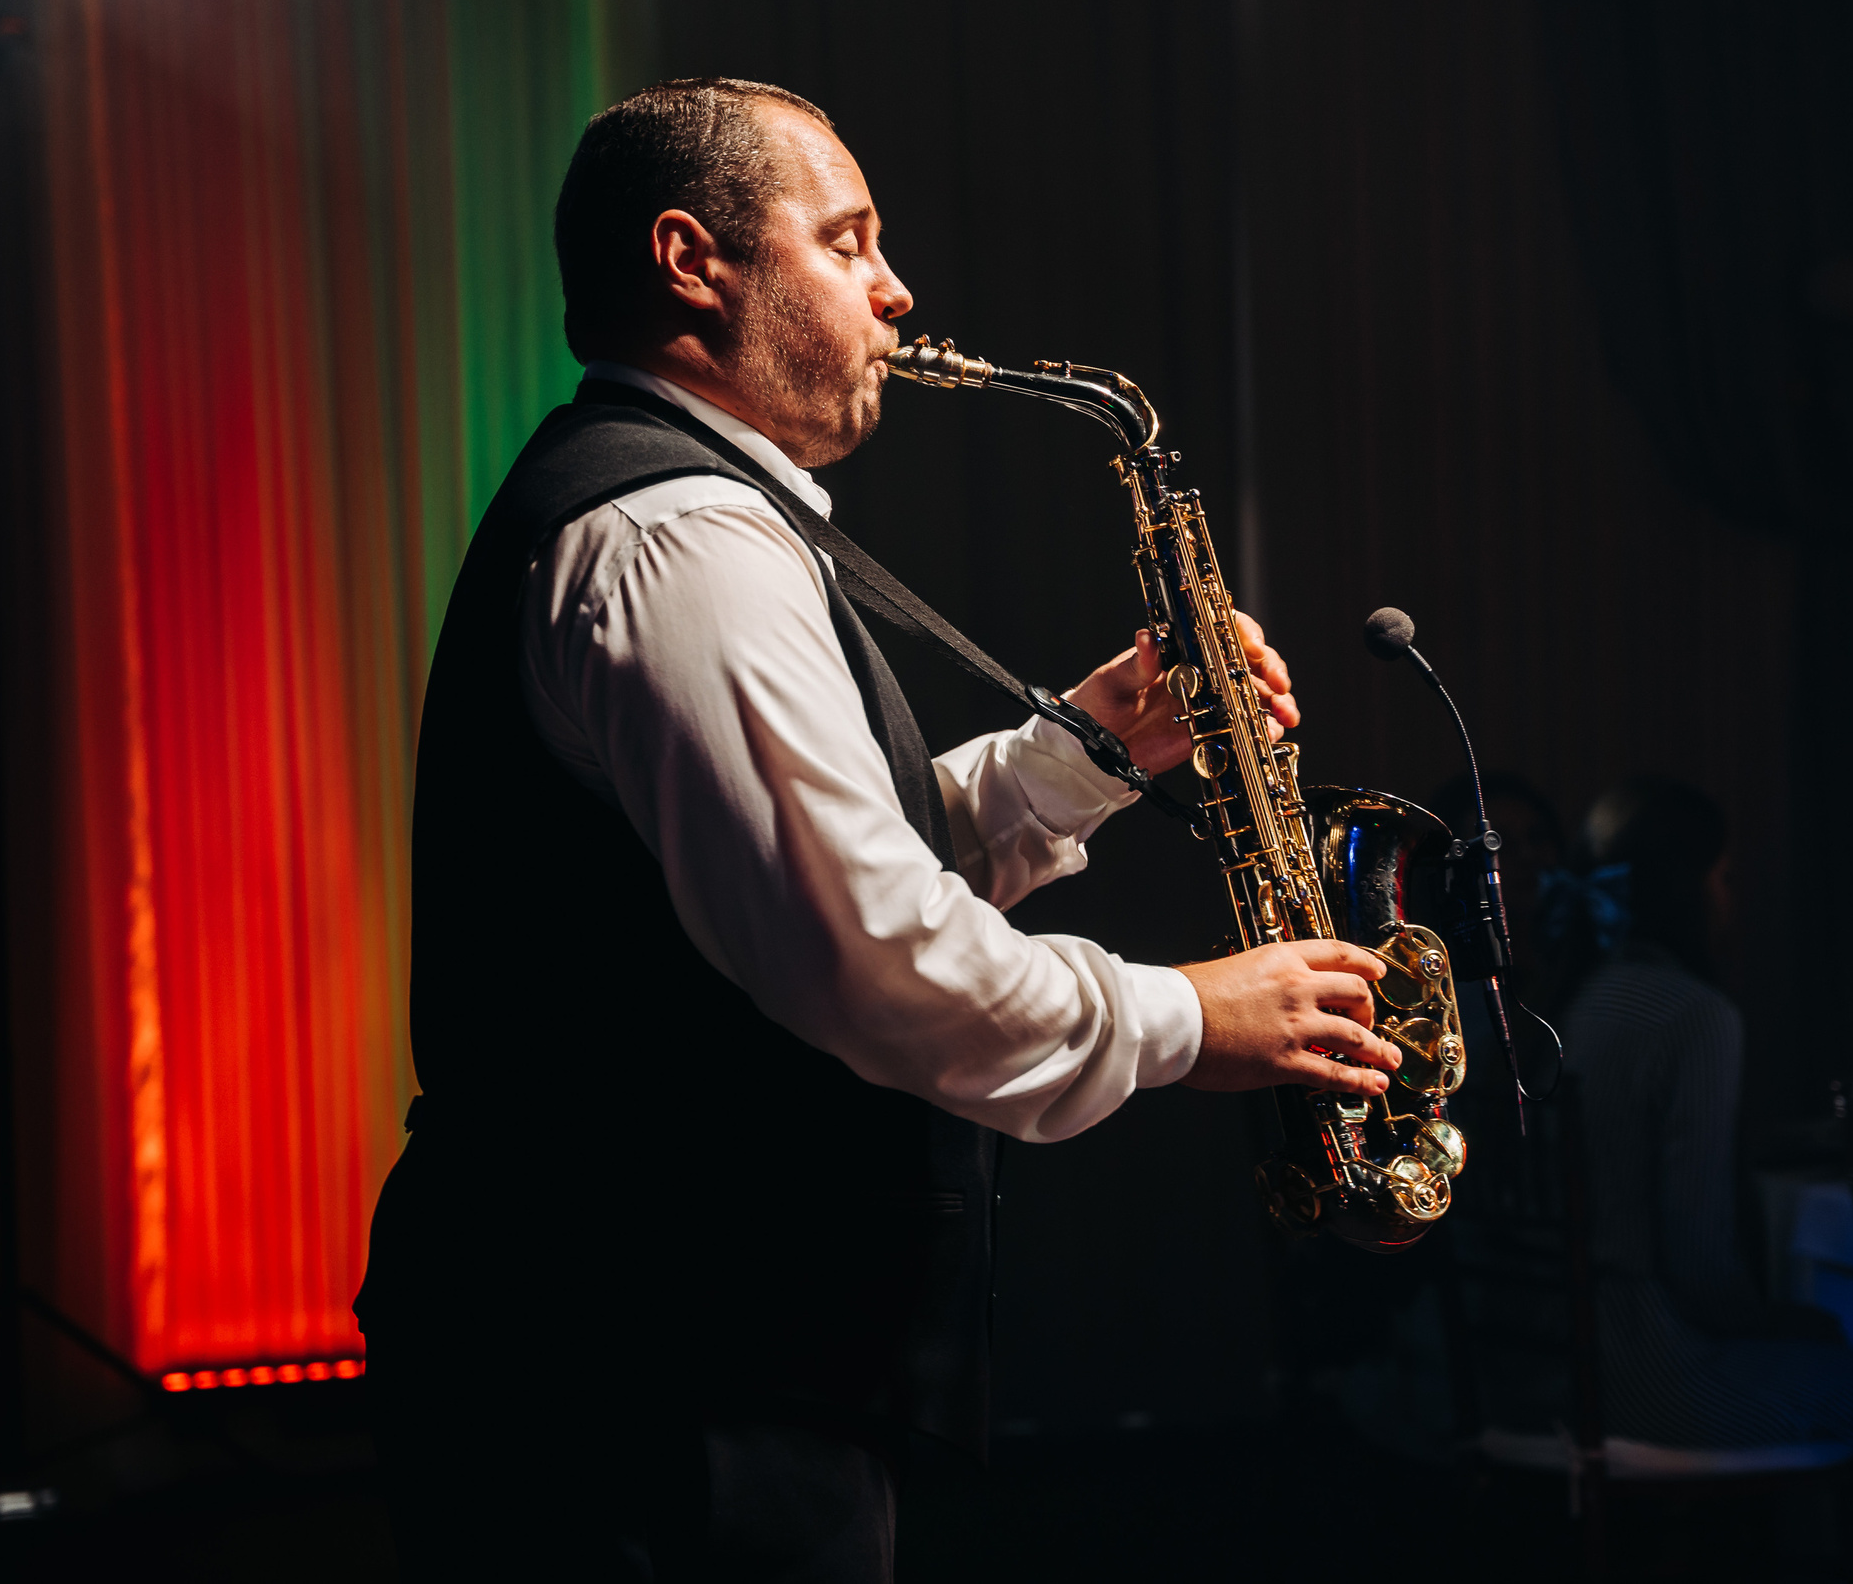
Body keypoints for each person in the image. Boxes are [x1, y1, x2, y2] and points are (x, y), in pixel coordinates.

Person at [353, 77, 1401, 1581]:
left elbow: (785, 890)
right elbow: (865, 950)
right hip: (645, 1368)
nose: (898, 291)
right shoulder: (679, 537)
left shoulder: (693, 516)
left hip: (660, 1349)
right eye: (847, 241)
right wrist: (1187, 1013)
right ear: (690, 259)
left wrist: (1089, 750)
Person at [1487, 776, 1853, 1457]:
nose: (1732, 900)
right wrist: (1788, 1319)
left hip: (1537, 1368)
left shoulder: (1565, 997)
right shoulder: (1691, 1014)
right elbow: (1700, 1266)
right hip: (1647, 1376)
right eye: (1725, 878)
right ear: (1690, 888)